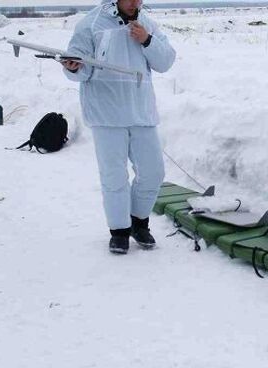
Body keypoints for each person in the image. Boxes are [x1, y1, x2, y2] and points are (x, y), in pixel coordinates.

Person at [61, 0, 176, 254]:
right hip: (106, 113)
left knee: (153, 172)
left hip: (141, 111)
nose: (135, 2)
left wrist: (147, 40)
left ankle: (139, 221)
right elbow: (79, 70)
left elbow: (166, 61)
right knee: (114, 177)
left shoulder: (147, 24)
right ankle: (119, 231)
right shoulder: (90, 24)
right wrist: (74, 67)